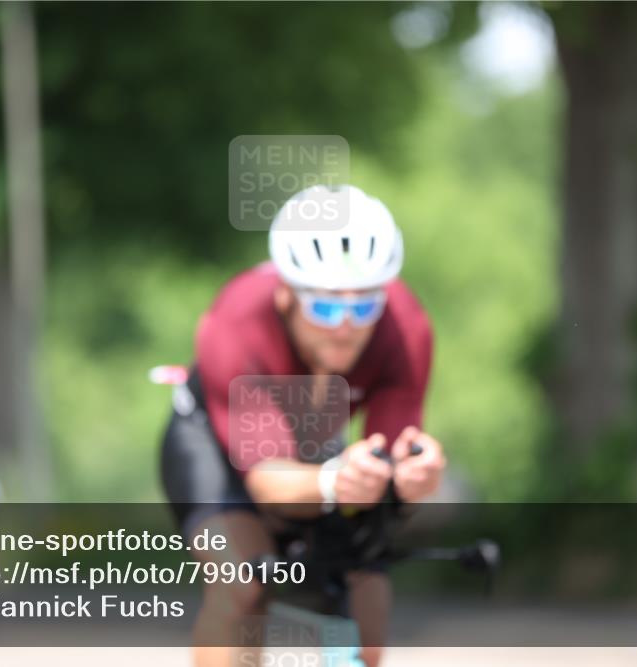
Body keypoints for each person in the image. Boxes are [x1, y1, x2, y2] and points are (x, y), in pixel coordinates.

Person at [160, 185, 446, 667]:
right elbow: (267, 479)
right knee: (243, 590)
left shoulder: (406, 327)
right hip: (215, 447)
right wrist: (337, 480)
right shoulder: (236, 320)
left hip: (312, 443)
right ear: (287, 293)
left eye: (364, 307)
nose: (346, 326)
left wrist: (414, 476)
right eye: (327, 307)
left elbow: (393, 448)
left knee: (367, 605)